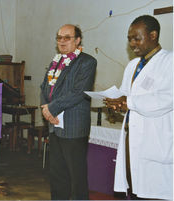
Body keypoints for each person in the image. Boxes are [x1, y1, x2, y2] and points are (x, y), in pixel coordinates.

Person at [105, 15, 173, 199]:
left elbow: (167, 98)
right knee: (135, 190)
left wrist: (129, 102)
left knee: (155, 192)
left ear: (153, 35)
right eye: (129, 39)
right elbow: (127, 94)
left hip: (156, 140)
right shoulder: (133, 65)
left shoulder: (170, 61)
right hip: (132, 139)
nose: (132, 43)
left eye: (137, 38)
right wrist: (116, 102)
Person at [40, 24, 97, 200]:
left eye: (67, 37)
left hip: (73, 126)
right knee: (57, 175)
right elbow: (44, 87)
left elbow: (79, 92)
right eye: (59, 37)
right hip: (54, 125)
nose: (62, 41)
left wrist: (52, 108)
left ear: (77, 40)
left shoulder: (87, 62)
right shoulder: (55, 62)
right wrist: (45, 108)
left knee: (77, 176)